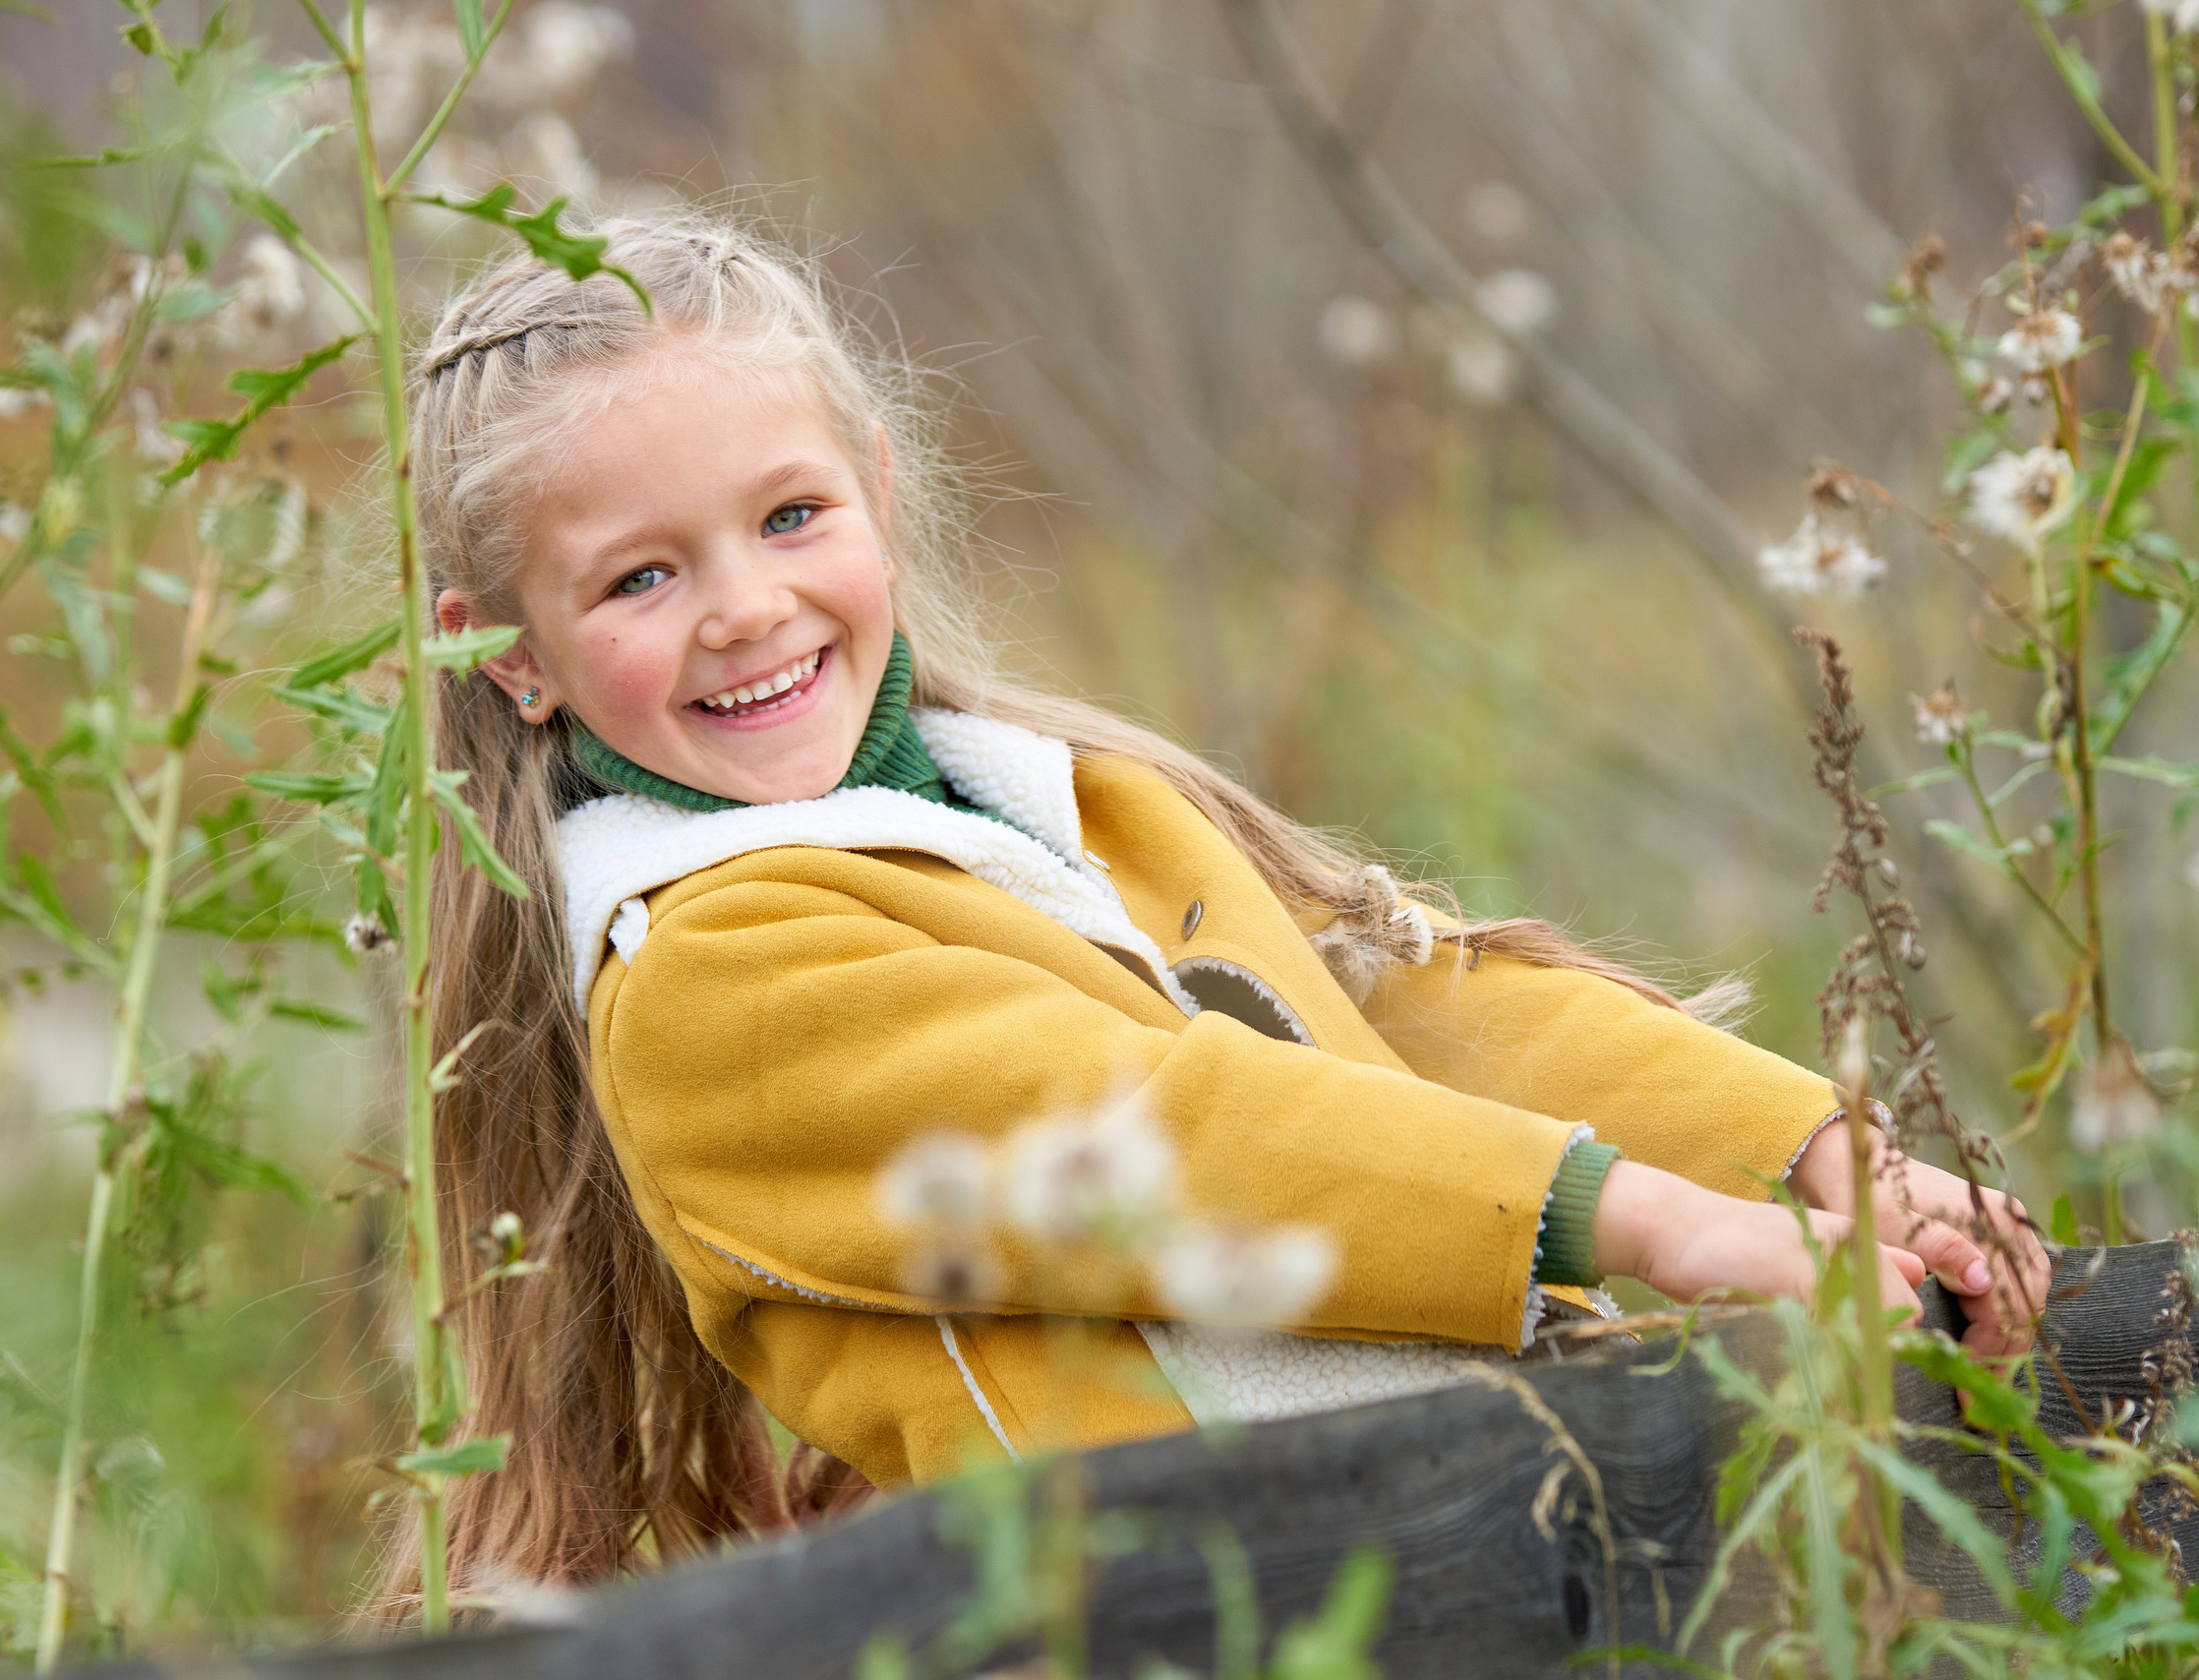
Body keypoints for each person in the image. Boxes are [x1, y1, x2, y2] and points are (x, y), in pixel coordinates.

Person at [400, 210, 2048, 1592]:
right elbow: (1168, 1130)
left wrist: (1828, 1161)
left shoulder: (1059, 806)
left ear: (880, 499)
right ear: (509, 656)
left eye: (789, 517)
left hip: (1481, 1545)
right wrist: (1664, 1227)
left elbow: (1420, 1009)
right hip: (1189, 1615)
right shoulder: (712, 981)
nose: (746, 607)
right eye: (642, 576)